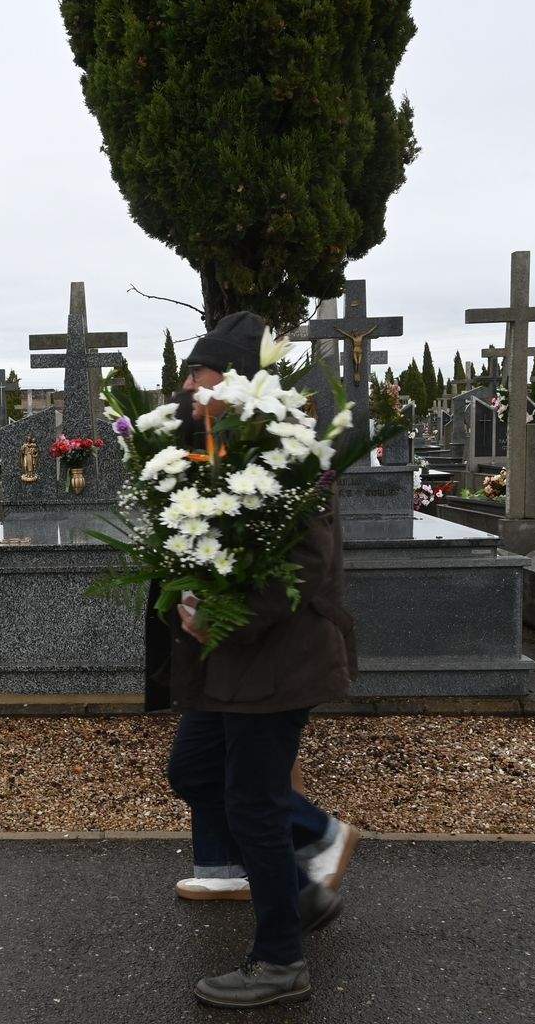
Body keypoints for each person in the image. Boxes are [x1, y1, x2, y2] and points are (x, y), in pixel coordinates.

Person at [147, 311, 360, 1009]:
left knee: (253, 803)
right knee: (195, 772)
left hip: (276, 659)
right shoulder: (212, 448)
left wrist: (220, 613)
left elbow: (299, 565)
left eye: (198, 375)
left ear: (234, 382)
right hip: (226, 662)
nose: (186, 387)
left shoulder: (286, 456)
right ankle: (302, 891)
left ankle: (279, 960)